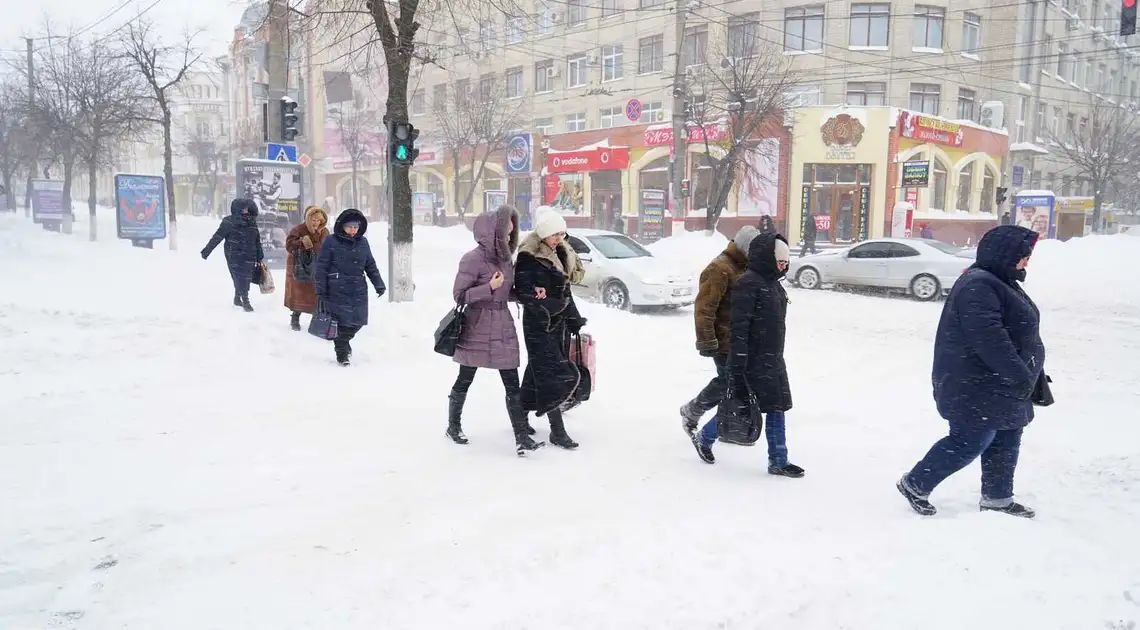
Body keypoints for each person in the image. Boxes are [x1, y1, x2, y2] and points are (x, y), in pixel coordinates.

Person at [897, 225, 1046, 518]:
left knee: (1006, 437)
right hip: (975, 382)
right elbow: (990, 339)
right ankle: (916, 482)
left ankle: (998, 498)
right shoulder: (979, 285)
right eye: (1023, 255)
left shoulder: (1000, 280)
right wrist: (1019, 374)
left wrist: (1028, 373)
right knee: (970, 440)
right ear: (1004, 254)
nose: (1026, 261)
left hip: (1001, 381)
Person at [690, 232, 804, 478]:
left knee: (777, 406)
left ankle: (778, 460)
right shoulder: (747, 283)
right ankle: (704, 437)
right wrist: (738, 362)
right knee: (739, 407)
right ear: (767, 257)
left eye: (786, 262)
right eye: (780, 260)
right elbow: (739, 327)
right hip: (750, 358)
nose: (783, 266)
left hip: (772, 357)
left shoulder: (773, 284)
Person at [446, 205, 543, 454]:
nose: (511, 234)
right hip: (476, 326)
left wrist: (527, 293)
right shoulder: (472, 259)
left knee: (512, 383)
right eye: (507, 229)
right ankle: (453, 426)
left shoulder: (505, 260)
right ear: (494, 231)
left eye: (513, 230)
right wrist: (488, 286)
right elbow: (459, 296)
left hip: (502, 326)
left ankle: (521, 437)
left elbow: (506, 293)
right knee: (465, 379)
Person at [514, 208, 588, 450]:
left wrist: (574, 318)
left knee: (536, 371)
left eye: (562, 233)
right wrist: (540, 301)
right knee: (551, 374)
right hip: (539, 324)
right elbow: (522, 291)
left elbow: (565, 291)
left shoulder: (559, 252)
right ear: (544, 233)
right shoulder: (528, 255)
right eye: (555, 234)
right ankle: (557, 431)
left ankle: (521, 417)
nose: (560, 238)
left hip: (558, 323)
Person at [680, 225, 760, 436]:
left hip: (739, 338)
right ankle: (693, 410)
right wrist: (707, 341)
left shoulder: (744, 267)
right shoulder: (719, 268)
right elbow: (704, 308)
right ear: (744, 248)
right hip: (723, 339)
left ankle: (726, 427)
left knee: (736, 383)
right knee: (728, 381)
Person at [314, 208, 386, 366]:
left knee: (358, 322)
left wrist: (378, 284)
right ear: (342, 226)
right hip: (337, 288)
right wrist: (320, 289)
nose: (353, 230)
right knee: (343, 321)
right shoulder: (331, 241)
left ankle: (342, 341)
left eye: (356, 227)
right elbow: (322, 267)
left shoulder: (363, 242)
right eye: (350, 227)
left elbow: (370, 265)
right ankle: (341, 353)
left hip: (359, 288)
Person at [201, 198, 264, 312]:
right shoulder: (228, 222)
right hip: (234, 255)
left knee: (246, 277)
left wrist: (260, 256)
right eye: (244, 208)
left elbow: (257, 240)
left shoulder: (251, 222)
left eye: (247, 208)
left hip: (250, 255)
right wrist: (207, 251)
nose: (246, 210)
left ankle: (237, 298)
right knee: (239, 276)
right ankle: (245, 300)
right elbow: (217, 237)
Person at [284, 205, 330, 331]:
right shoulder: (297, 229)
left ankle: (316, 320)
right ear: (307, 219)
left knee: (316, 294)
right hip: (300, 266)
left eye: (318, 220)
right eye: (313, 220)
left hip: (318, 266)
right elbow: (289, 246)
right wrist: (301, 242)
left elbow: (328, 247)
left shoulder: (324, 232)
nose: (316, 223)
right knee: (299, 293)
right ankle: (295, 318)